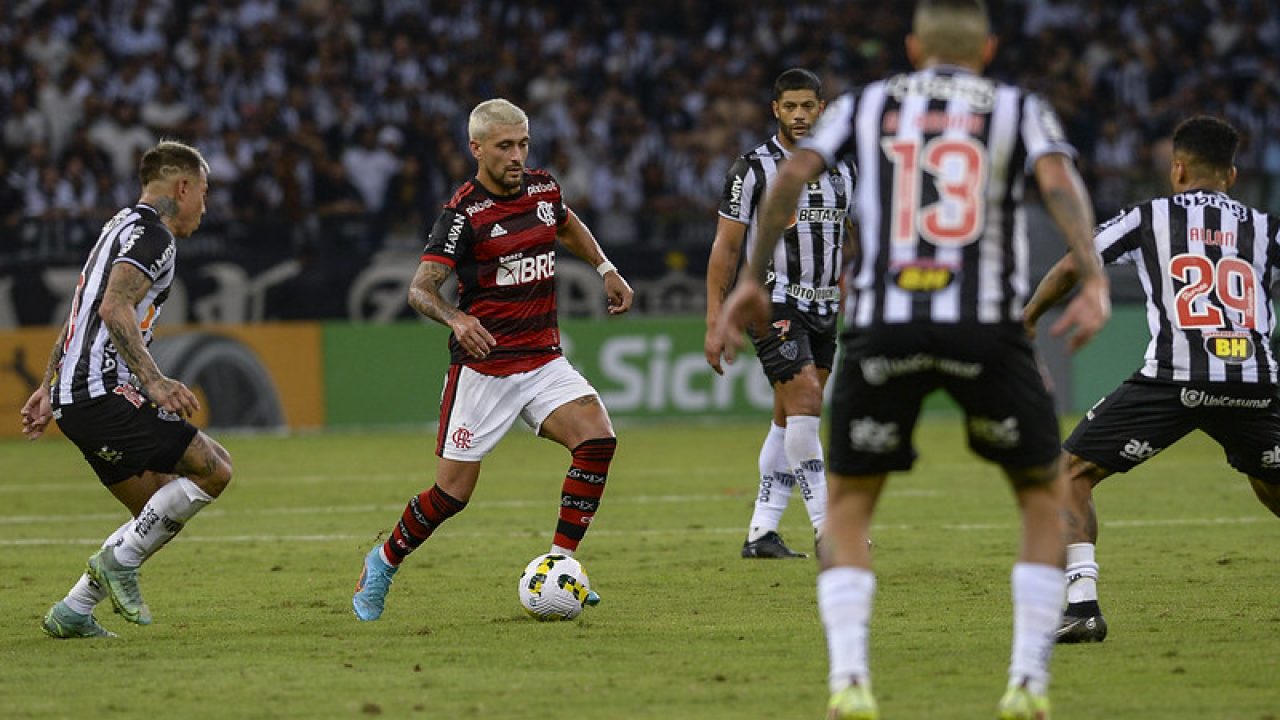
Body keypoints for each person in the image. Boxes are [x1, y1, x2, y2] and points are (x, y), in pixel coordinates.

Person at [712, 1, 1111, 718]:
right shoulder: (1018, 106)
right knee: (1041, 494)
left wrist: (750, 278)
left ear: (910, 45)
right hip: (984, 322)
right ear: (987, 48)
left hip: (883, 324)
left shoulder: (863, 107)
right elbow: (1058, 182)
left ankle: (850, 681)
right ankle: (1027, 682)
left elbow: (791, 178)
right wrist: (1094, 272)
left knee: (853, 505)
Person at [351, 98, 634, 621]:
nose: (517, 156)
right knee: (451, 495)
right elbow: (420, 290)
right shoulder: (463, 214)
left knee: (596, 441)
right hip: (484, 370)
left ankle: (561, 565)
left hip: (543, 358)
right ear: (476, 148)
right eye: (505, 146)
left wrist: (605, 268)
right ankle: (383, 560)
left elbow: (565, 223)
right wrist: (457, 318)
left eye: (523, 144)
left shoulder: (544, 188)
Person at [1023, 115, 1280, 645]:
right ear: (1231, 175)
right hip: (1254, 380)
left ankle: (1082, 607)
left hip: (1174, 378)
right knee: (1269, 483)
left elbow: (1075, 265)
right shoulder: (1264, 227)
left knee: (1068, 474)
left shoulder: (1149, 217)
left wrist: (1027, 320)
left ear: (1178, 169)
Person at [21, 140, 233, 638]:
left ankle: (74, 609)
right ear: (183, 187)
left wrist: (48, 385)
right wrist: (154, 381)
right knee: (214, 470)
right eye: (203, 192)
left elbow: (82, 309)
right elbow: (113, 308)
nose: (205, 205)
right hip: (101, 392)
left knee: (155, 509)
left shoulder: (118, 225)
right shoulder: (153, 235)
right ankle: (117, 566)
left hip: (76, 397)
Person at [705, 68, 856, 559]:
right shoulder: (752, 170)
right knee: (807, 403)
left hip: (824, 307)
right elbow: (726, 249)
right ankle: (828, 528)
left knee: (789, 419)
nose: (797, 115)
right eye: (789, 106)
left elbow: (846, 241)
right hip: (773, 301)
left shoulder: (844, 170)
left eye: (806, 106)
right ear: (775, 110)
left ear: (821, 108)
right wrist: (715, 318)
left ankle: (761, 532)